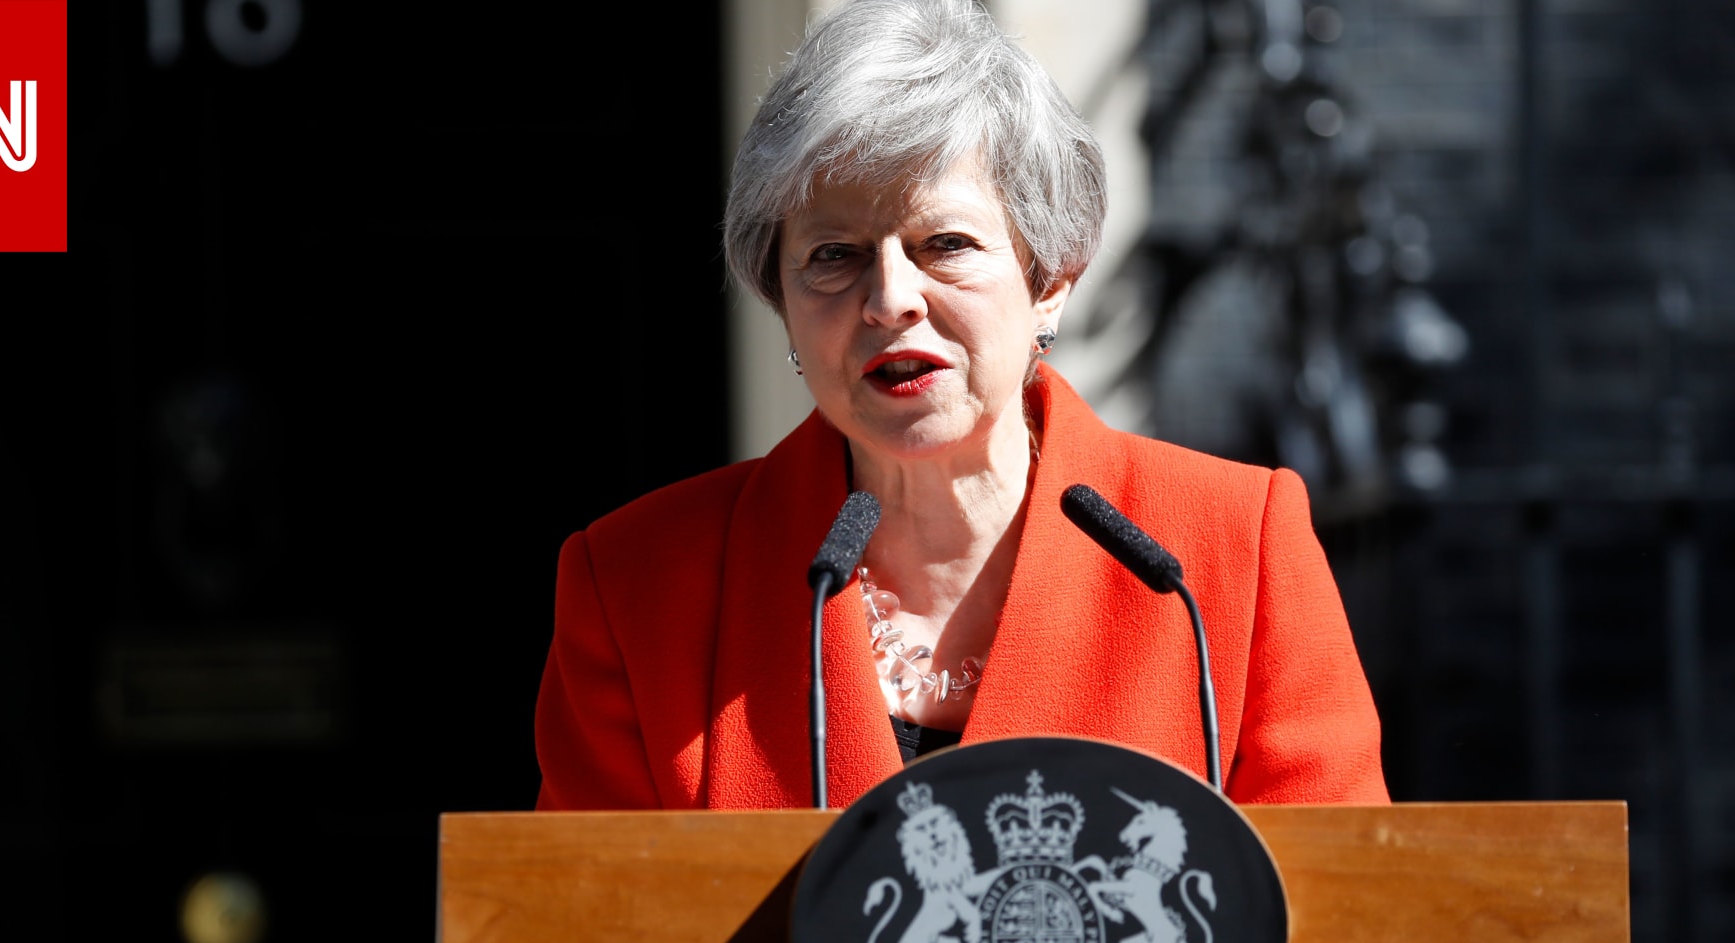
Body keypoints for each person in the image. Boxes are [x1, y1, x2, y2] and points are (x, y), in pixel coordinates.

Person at [533, 0, 1389, 810]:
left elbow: (1345, 900)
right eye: (834, 255)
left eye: (944, 244)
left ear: (1049, 281)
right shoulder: (638, 584)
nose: (889, 300)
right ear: (781, 301)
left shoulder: (1231, 553)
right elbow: (591, 914)